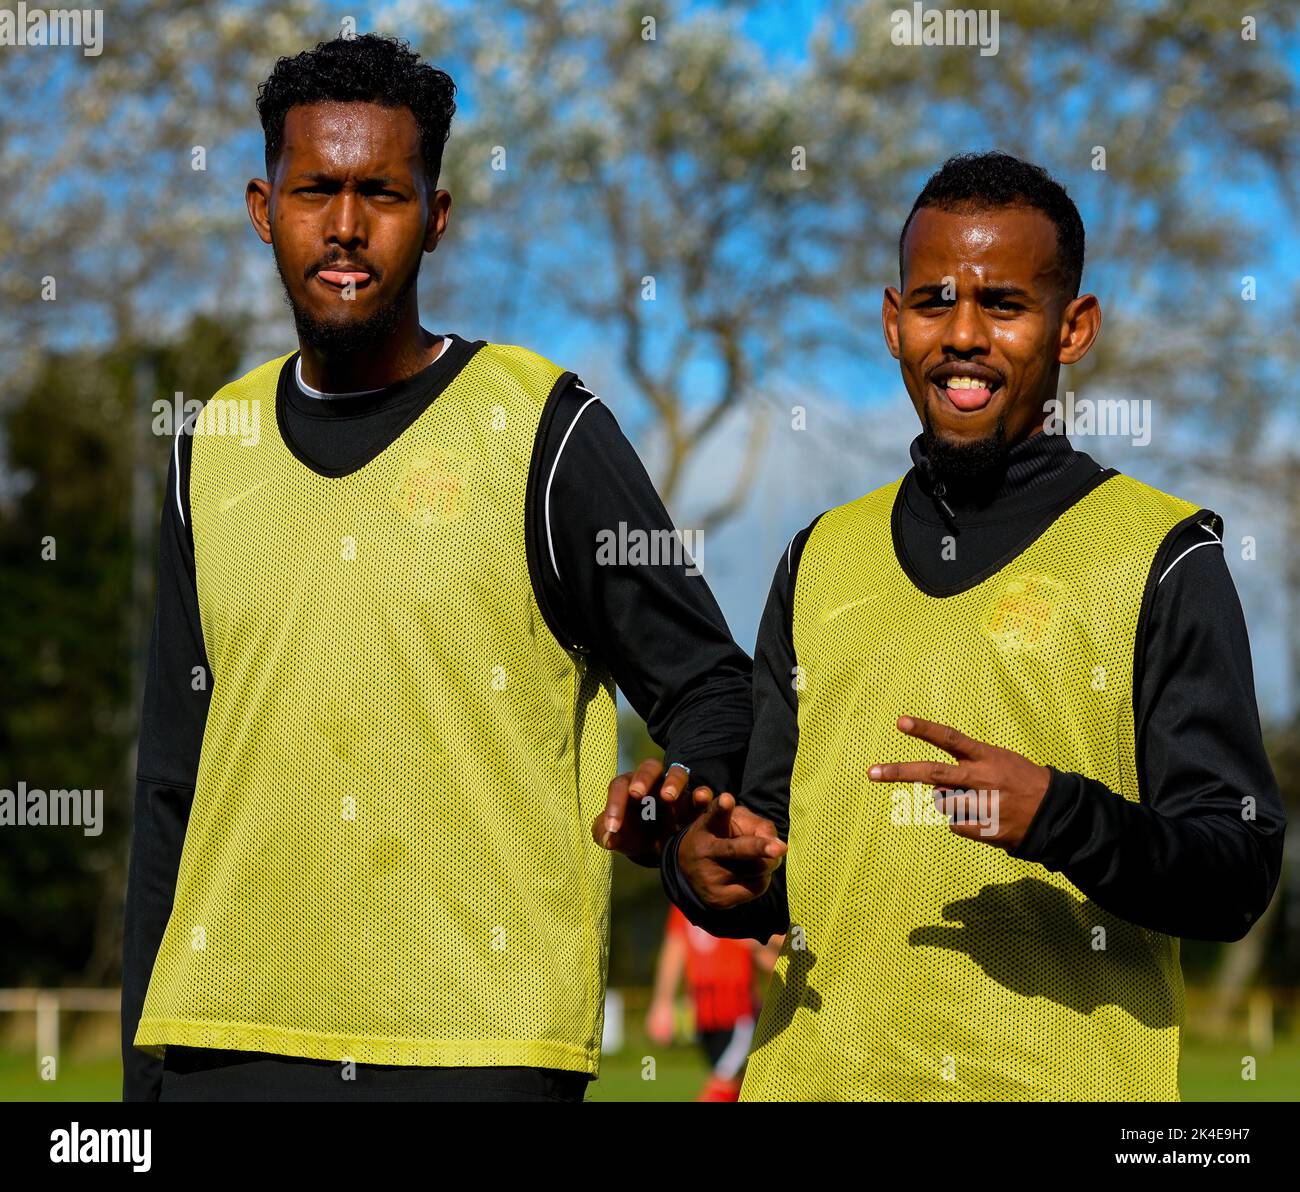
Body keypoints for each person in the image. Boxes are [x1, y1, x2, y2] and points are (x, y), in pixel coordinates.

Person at [121, 33, 751, 1103]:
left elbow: (711, 685)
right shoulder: (209, 439)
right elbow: (172, 778)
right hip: (220, 1038)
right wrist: (140, 1081)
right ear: (262, 207)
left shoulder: (543, 429)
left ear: (438, 218)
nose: (347, 226)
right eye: (316, 189)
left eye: (385, 193)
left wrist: (681, 795)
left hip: (476, 1049)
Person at [660, 152, 1286, 1101]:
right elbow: (783, 856)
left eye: (1002, 305)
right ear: (891, 321)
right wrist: (705, 869)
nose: (961, 335)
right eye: (932, 302)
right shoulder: (816, 557)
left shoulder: (1162, 557)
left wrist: (1062, 818)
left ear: (1072, 328)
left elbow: (1236, 870)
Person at [645, 906, 780, 1101]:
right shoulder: (684, 898)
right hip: (704, 1019)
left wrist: (757, 940)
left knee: (721, 1086)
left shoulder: (740, 895)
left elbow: (775, 952)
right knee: (740, 1089)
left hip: (740, 1018)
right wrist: (662, 1003)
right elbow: (675, 948)